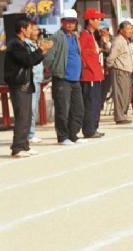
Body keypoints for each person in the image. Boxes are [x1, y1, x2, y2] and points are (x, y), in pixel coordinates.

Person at [5, 19, 51, 157]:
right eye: (30, 28)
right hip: (19, 84)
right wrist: (41, 49)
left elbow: (33, 60)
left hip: (26, 83)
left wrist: (42, 52)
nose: (32, 31)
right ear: (23, 29)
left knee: (27, 116)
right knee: (22, 116)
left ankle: (24, 145)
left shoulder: (22, 43)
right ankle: (17, 147)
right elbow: (28, 60)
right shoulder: (15, 45)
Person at [44, 10, 85, 145]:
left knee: (78, 109)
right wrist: (55, 70)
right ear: (62, 22)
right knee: (63, 109)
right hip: (62, 78)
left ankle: (73, 134)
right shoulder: (56, 37)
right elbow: (48, 58)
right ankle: (63, 137)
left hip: (75, 79)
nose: (70, 24)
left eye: (73, 21)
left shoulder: (75, 36)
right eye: (67, 21)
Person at [79, 8, 106, 139]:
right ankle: (89, 129)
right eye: (97, 19)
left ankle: (93, 127)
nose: (99, 21)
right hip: (89, 75)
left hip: (95, 74)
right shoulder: (85, 35)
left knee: (95, 102)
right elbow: (82, 54)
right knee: (90, 103)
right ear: (90, 20)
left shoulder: (91, 35)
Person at [107, 21, 133, 124]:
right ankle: (119, 117)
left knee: (126, 95)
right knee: (120, 94)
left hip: (127, 71)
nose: (131, 31)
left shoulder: (126, 40)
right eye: (128, 29)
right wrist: (110, 67)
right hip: (119, 71)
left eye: (131, 29)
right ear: (121, 30)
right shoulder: (118, 41)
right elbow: (111, 57)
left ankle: (123, 115)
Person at [26, 22, 46, 144]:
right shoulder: (27, 45)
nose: (37, 32)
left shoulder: (36, 44)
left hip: (38, 78)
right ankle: (29, 134)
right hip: (31, 79)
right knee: (31, 108)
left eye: (37, 30)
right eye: (34, 29)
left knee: (34, 108)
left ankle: (31, 132)